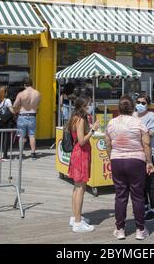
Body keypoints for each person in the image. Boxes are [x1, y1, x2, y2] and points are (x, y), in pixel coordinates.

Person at [105, 95, 154, 241]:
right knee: (137, 195)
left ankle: (120, 229)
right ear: (132, 108)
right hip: (136, 161)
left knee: (120, 195)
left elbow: (108, 143)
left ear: (118, 108)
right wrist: (149, 162)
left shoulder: (111, 123)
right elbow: (146, 144)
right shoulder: (139, 123)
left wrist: (111, 156)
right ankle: (140, 229)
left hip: (117, 160)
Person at [67, 97, 100, 233]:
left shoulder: (75, 118)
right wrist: (93, 131)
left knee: (77, 188)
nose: (90, 107)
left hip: (77, 154)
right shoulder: (80, 120)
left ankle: (76, 217)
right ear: (83, 107)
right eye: (88, 105)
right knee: (80, 188)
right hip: (80, 154)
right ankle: (78, 222)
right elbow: (81, 141)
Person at [134, 94, 154, 221]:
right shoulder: (133, 115)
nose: (140, 104)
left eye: (143, 103)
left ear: (148, 105)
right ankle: (144, 205)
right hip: (136, 154)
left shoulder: (151, 116)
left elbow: (152, 134)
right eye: (138, 102)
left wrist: (138, 133)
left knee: (149, 182)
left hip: (150, 154)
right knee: (140, 182)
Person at [12, 79, 41, 159]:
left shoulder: (21, 94)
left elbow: (15, 105)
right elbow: (37, 105)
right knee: (32, 135)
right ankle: (33, 153)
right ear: (32, 84)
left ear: (25, 85)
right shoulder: (37, 93)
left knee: (22, 136)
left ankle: (21, 154)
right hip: (32, 115)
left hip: (22, 115)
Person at [0, 86, 14, 161]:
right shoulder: (7, 100)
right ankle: (5, 156)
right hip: (5, 121)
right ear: (5, 92)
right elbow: (12, 111)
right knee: (5, 137)